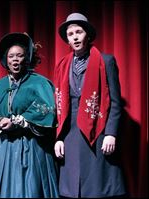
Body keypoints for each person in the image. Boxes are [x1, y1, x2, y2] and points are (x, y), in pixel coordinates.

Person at [53, 13, 126, 197]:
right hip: (71, 134)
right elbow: (60, 106)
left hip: (97, 130)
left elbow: (116, 103)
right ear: (67, 40)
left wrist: (111, 133)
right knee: (73, 190)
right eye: (71, 34)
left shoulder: (106, 61)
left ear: (88, 35)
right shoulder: (62, 66)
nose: (75, 37)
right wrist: (59, 137)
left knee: (96, 188)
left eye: (79, 32)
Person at [0, 32, 59, 198]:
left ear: (27, 58)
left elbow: (46, 108)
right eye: (11, 56)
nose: (15, 60)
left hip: (31, 147)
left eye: (19, 55)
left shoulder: (39, 83)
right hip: (5, 148)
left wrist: (21, 121)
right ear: (5, 59)